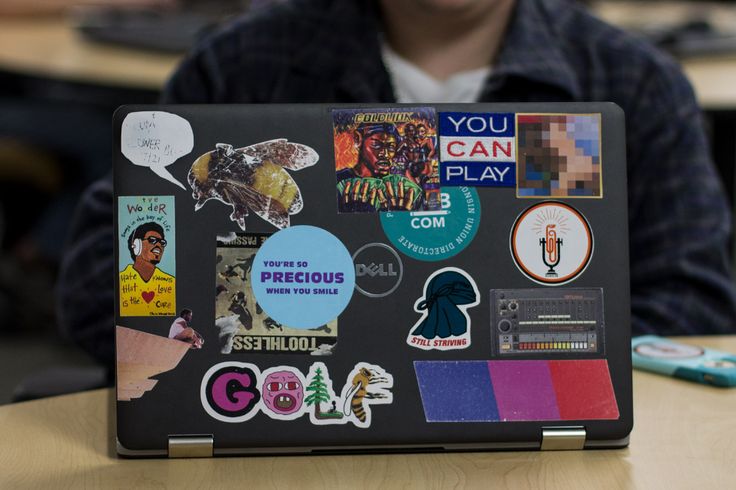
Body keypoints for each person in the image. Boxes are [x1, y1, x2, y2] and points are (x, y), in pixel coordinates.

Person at [57, 0, 736, 369]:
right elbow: (97, 287)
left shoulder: (630, 84)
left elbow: (694, 303)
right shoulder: (241, 69)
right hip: (284, 432)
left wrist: (536, 364)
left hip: (549, 451)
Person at [118, 222, 175, 316]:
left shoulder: (171, 283)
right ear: (137, 245)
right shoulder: (120, 280)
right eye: (152, 240)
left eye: (162, 242)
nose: (159, 245)